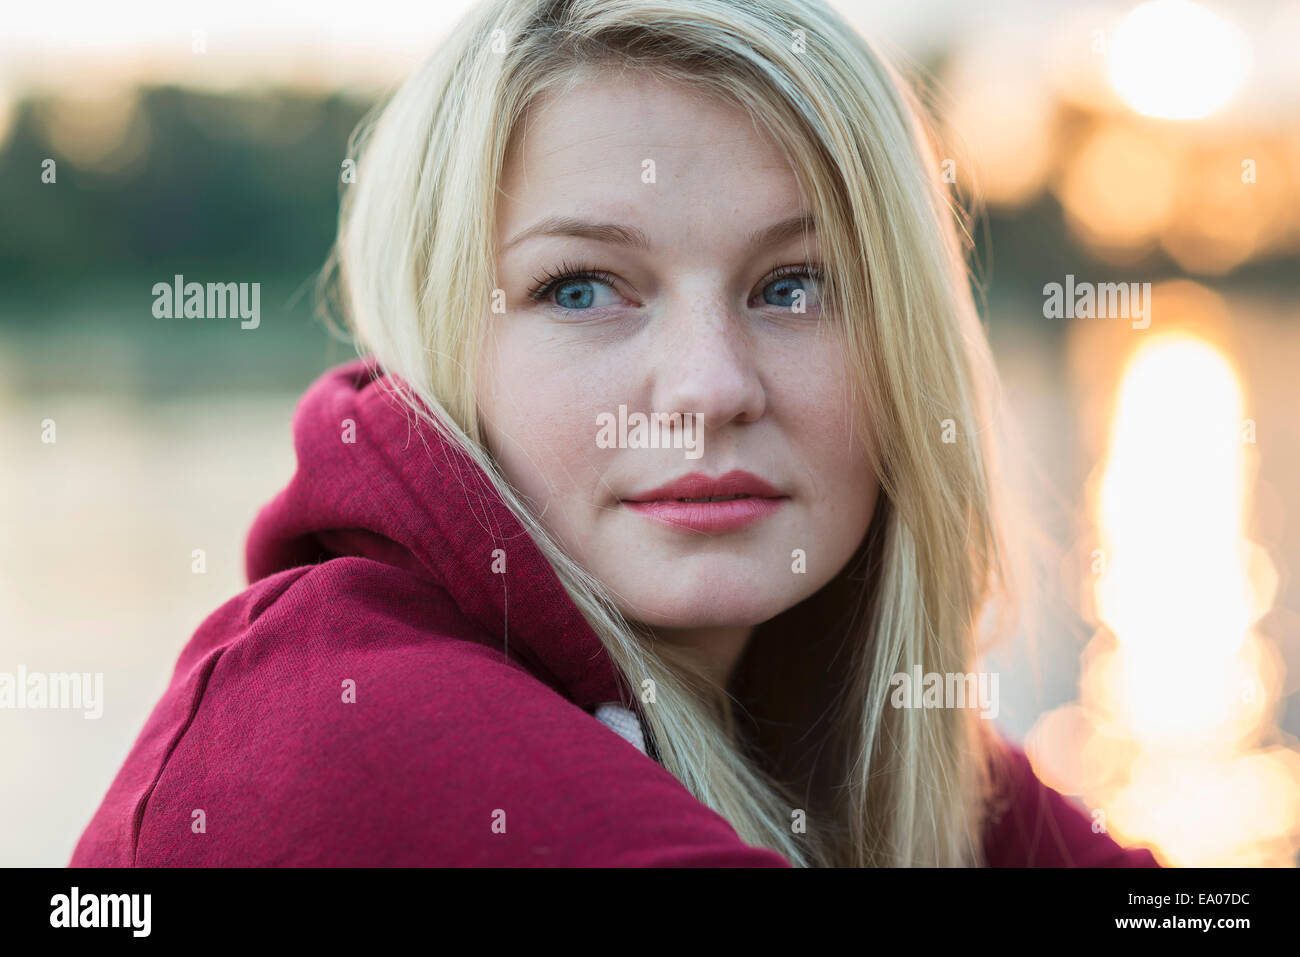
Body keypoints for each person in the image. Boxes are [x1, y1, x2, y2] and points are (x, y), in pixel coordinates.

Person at [71, 0, 1160, 867]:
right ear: (440, 346)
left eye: (794, 284)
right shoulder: (355, 732)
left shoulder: (847, 718)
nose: (708, 388)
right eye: (583, 288)